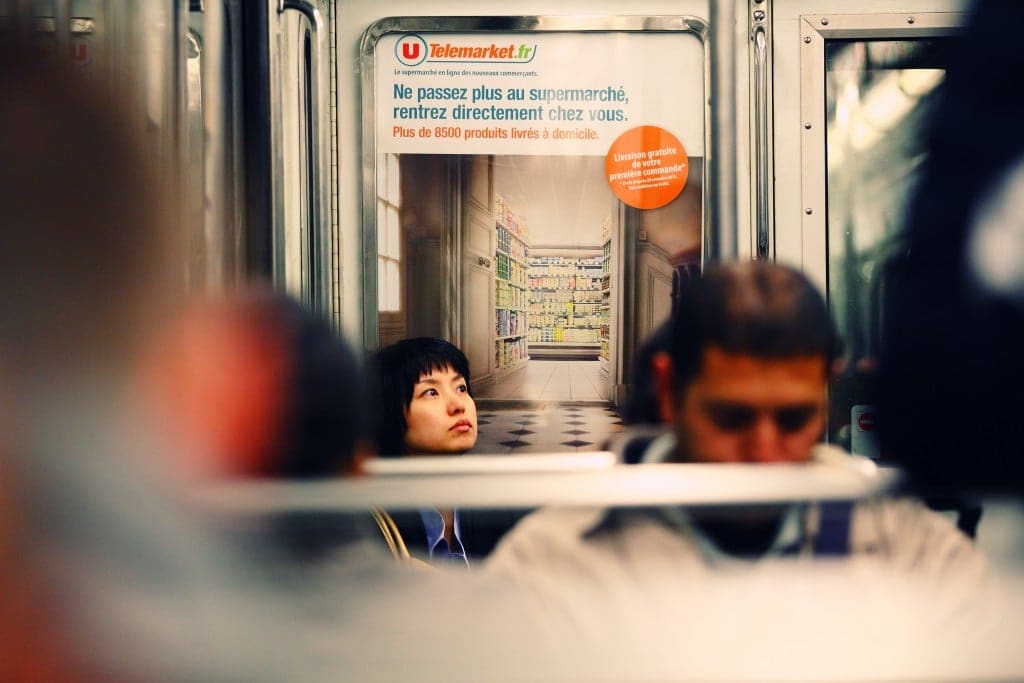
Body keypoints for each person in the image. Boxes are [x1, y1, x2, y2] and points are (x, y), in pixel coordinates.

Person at [486, 261, 990, 612]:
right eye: (730, 418)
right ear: (669, 390)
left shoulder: (909, 548)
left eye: (794, 420)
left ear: (828, 393)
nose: (764, 455)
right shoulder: (553, 563)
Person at [366, 337, 523, 567]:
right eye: (431, 392)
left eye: (461, 388)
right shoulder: (370, 529)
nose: (458, 404)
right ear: (387, 412)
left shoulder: (497, 504)